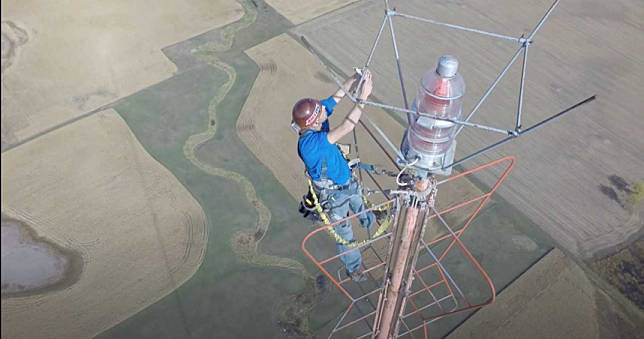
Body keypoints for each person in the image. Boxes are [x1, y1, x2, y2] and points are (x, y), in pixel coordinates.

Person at [292, 70, 375, 282]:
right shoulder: (311, 144)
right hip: (333, 196)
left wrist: (355, 79)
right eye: (321, 112)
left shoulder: (315, 120)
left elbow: (336, 97)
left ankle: (371, 222)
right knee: (345, 234)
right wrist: (364, 98)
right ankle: (354, 268)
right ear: (313, 122)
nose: (325, 111)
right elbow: (347, 126)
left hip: (345, 181)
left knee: (360, 205)